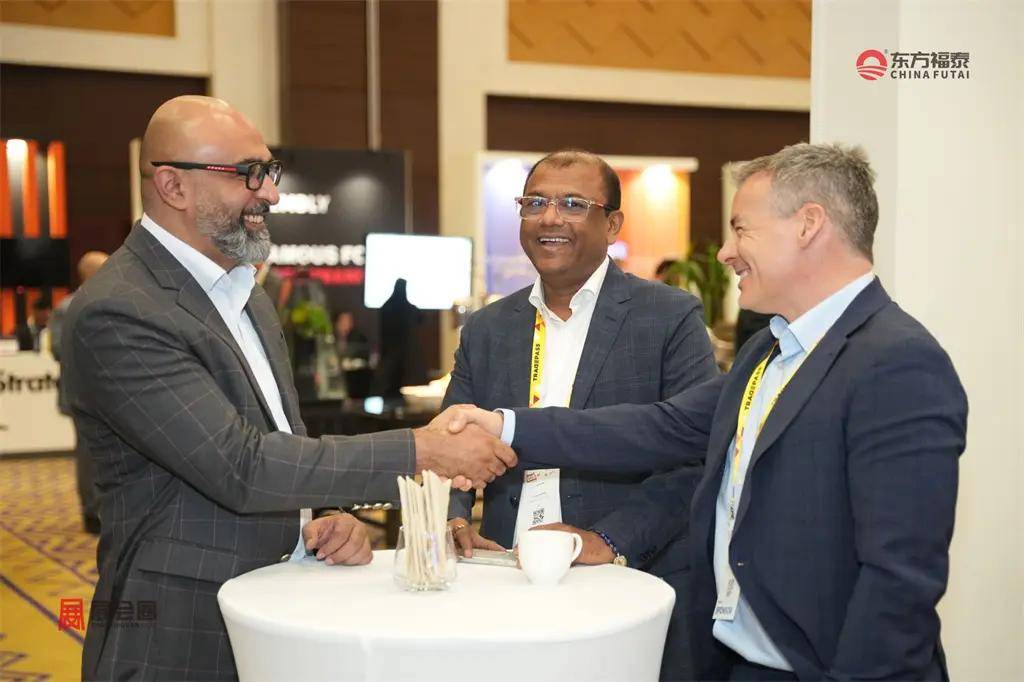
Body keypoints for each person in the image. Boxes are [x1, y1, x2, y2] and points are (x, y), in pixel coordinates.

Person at [441, 143, 968, 681]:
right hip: (740, 662)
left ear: (808, 225)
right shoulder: (768, 351)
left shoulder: (897, 362)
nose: (725, 253)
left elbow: (898, 583)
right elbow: (659, 427)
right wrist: (505, 424)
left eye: (742, 230)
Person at [62, 95, 515, 681]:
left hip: (274, 604)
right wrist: (422, 451)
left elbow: (280, 439)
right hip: (179, 628)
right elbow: (240, 466)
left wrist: (323, 515)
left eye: (269, 171)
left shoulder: (243, 294)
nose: (271, 194)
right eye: (248, 174)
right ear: (173, 186)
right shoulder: (121, 310)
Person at [444, 149, 717, 680]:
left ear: (612, 223)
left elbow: (696, 455)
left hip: (625, 580)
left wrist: (607, 541)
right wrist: (453, 518)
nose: (549, 218)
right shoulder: (487, 329)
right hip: (504, 577)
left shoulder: (668, 317)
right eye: (535, 203)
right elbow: (451, 442)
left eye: (573, 204)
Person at [50, 250, 109, 534]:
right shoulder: (67, 307)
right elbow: (58, 349)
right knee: (88, 454)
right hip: (83, 394)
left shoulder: (110, 301)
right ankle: (91, 511)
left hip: (108, 393)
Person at [375, 277, 425, 396]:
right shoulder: (409, 308)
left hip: (389, 355)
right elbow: (421, 319)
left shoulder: (386, 307)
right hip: (408, 357)